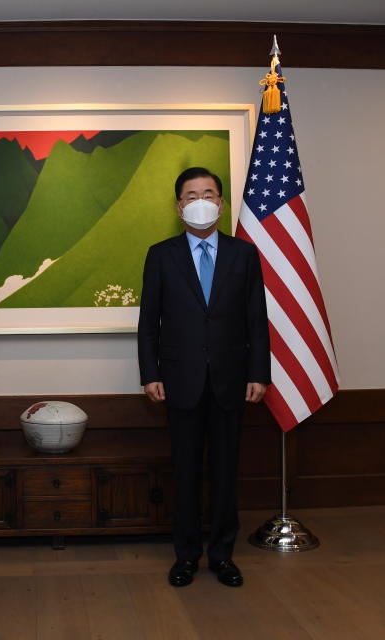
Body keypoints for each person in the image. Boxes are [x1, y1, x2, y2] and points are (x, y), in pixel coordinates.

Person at [137, 167, 270, 588]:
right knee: (187, 473)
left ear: (220, 202)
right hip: (180, 381)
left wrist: (259, 373)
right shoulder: (161, 255)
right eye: (191, 195)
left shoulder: (244, 255)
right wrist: (149, 373)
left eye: (208, 193)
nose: (200, 200)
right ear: (179, 207)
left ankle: (223, 556)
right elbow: (148, 324)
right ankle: (187, 557)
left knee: (227, 473)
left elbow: (256, 320)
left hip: (232, 381)